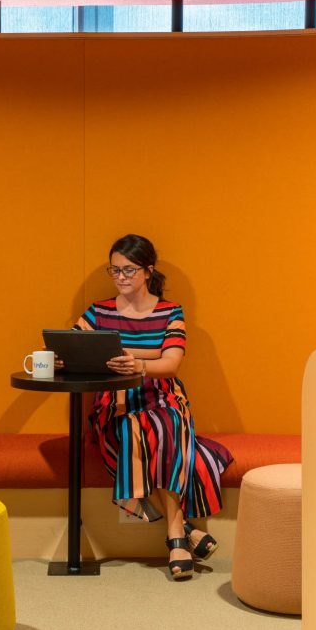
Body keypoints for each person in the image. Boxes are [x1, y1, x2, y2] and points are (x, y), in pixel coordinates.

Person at [75, 233, 233, 581]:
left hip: (161, 394)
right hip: (114, 400)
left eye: (128, 270)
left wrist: (138, 362)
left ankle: (176, 537)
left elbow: (172, 363)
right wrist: (59, 356)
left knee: (161, 427)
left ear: (148, 271)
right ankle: (185, 531)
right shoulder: (98, 311)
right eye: (114, 270)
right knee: (135, 429)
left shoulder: (169, 311)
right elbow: (77, 345)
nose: (121, 277)